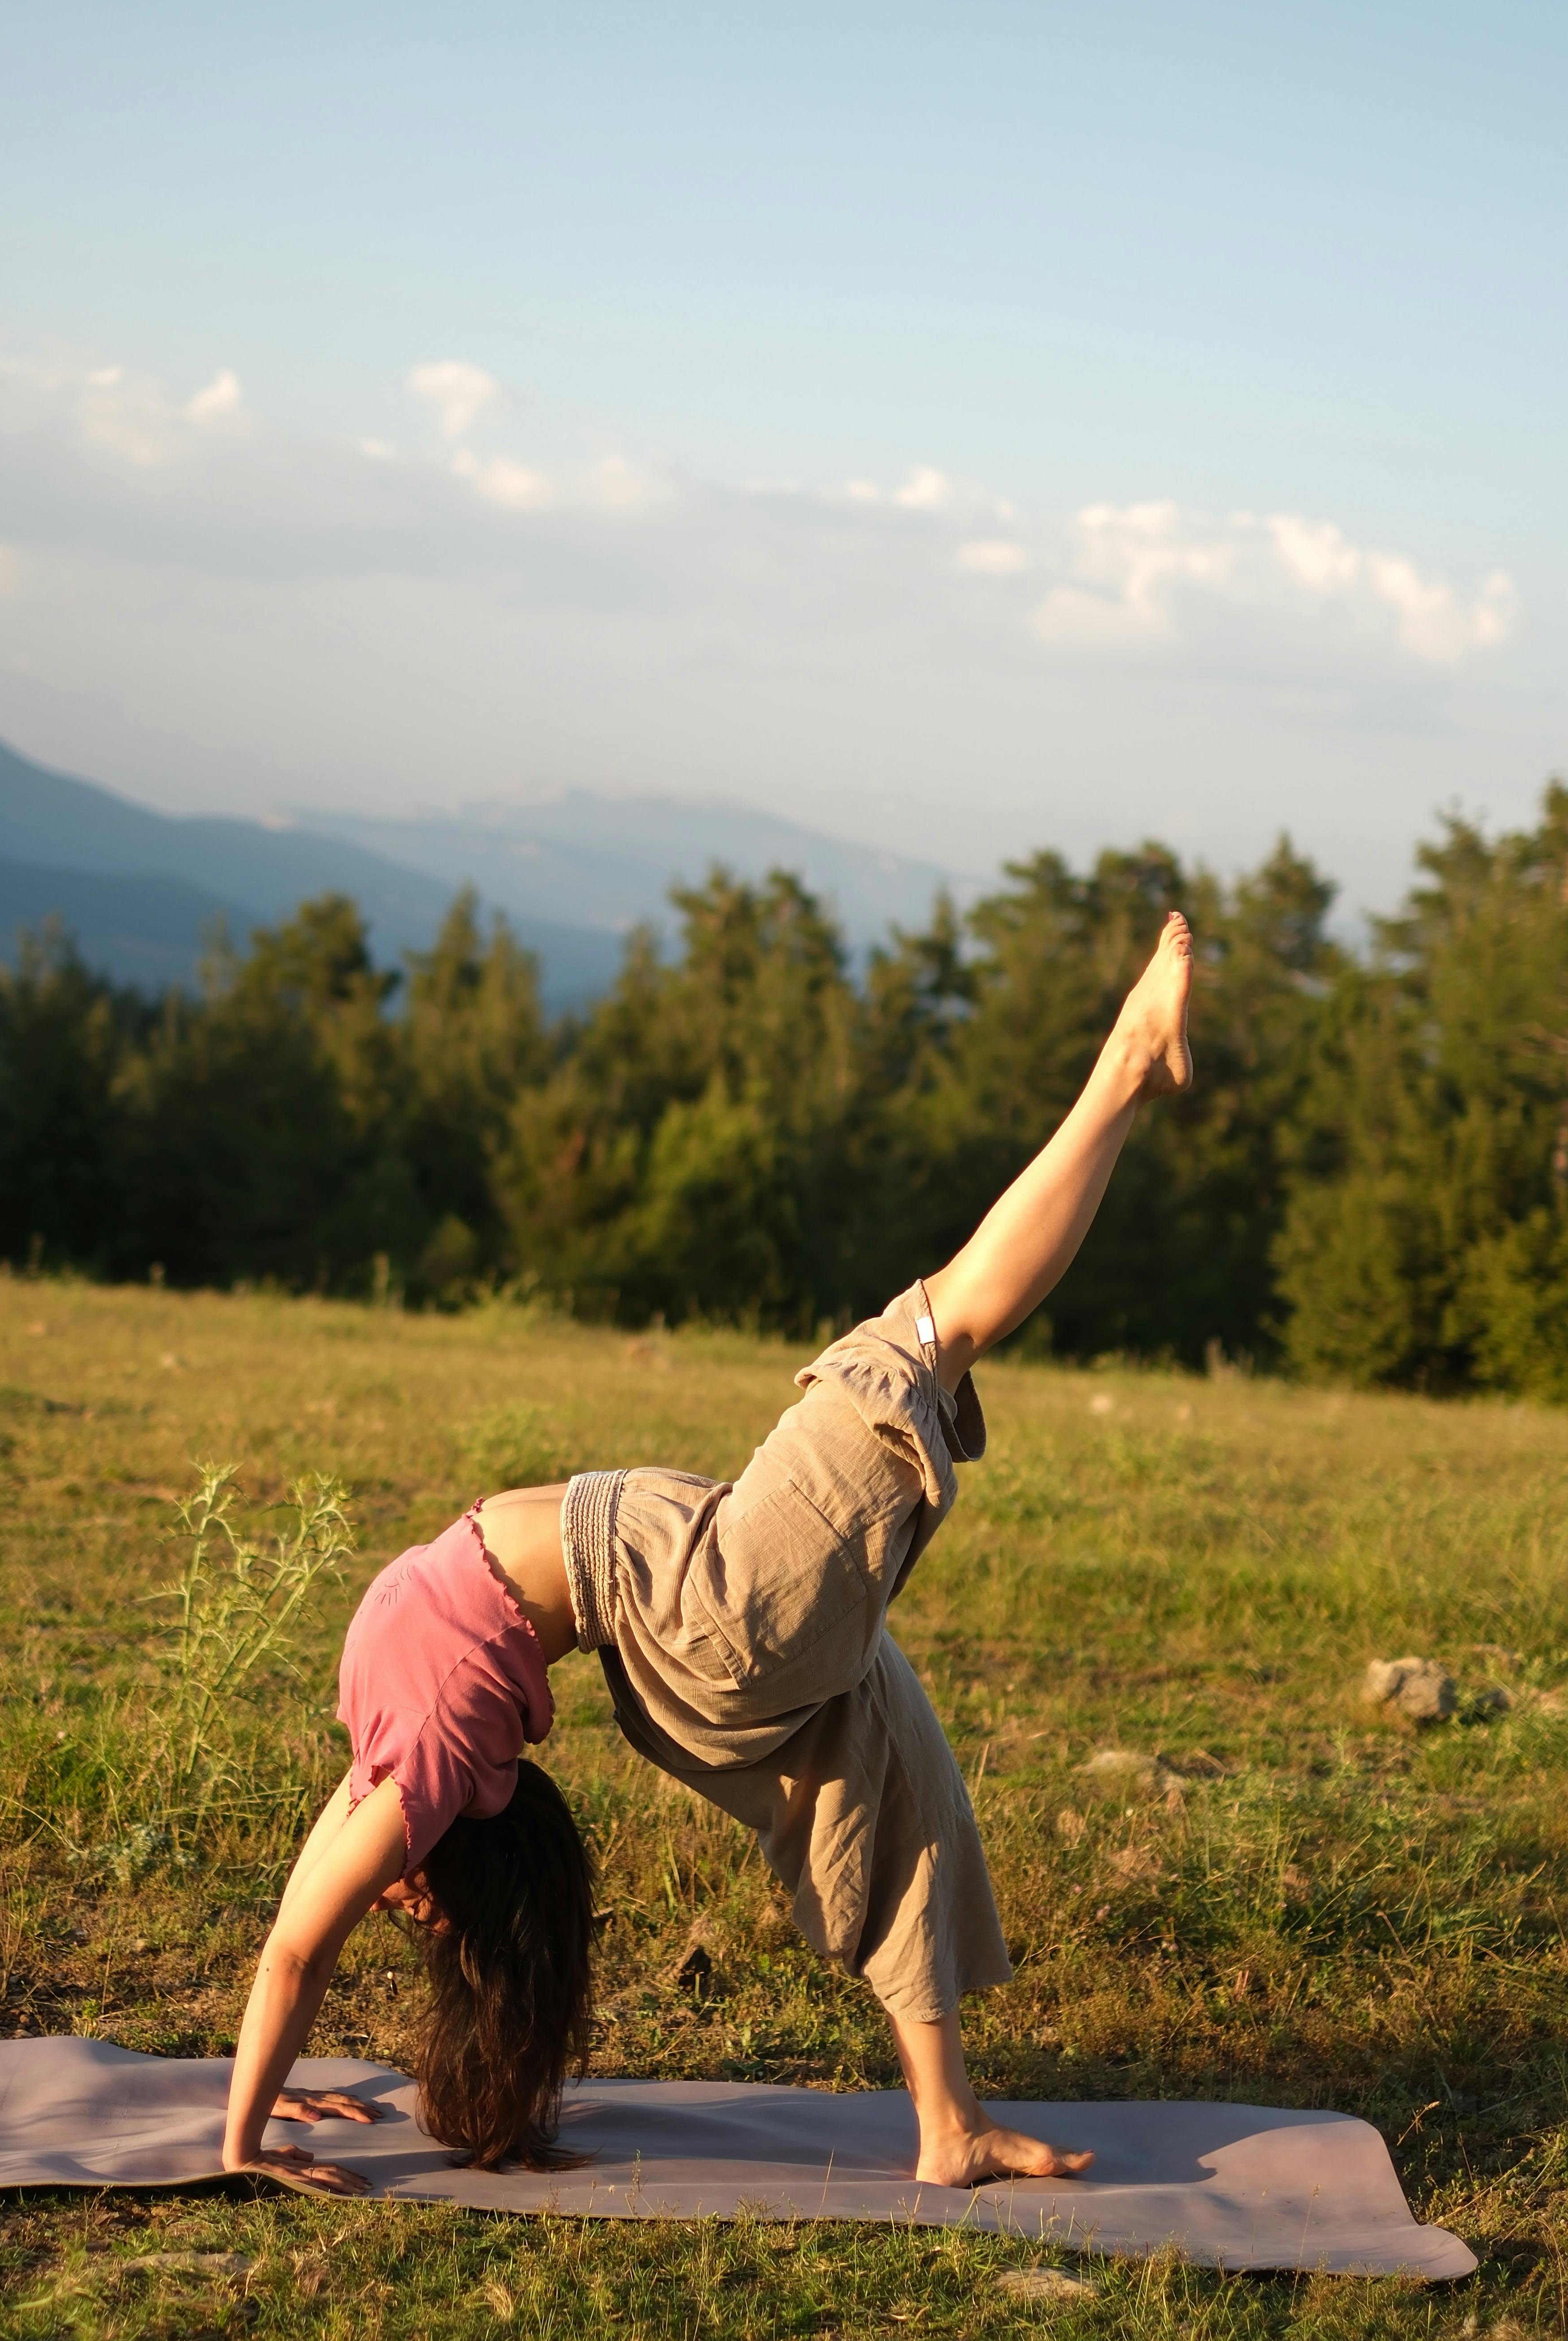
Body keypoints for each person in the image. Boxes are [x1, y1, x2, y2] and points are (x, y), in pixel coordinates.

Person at [222, 911, 1195, 2194]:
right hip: (701, 1612)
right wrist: (239, 2149)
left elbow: (294, 1951)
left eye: (400, 1903)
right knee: (925, 1334)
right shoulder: (427, 1778)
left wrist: (268, 2088)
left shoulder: (390, 1770)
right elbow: (302, 1949)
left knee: (894, 1789)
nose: (392, 1901)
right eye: (417, 1906)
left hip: (685, 1593)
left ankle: (947, 2125)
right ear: (450, 1858)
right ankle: (1125, 1064)